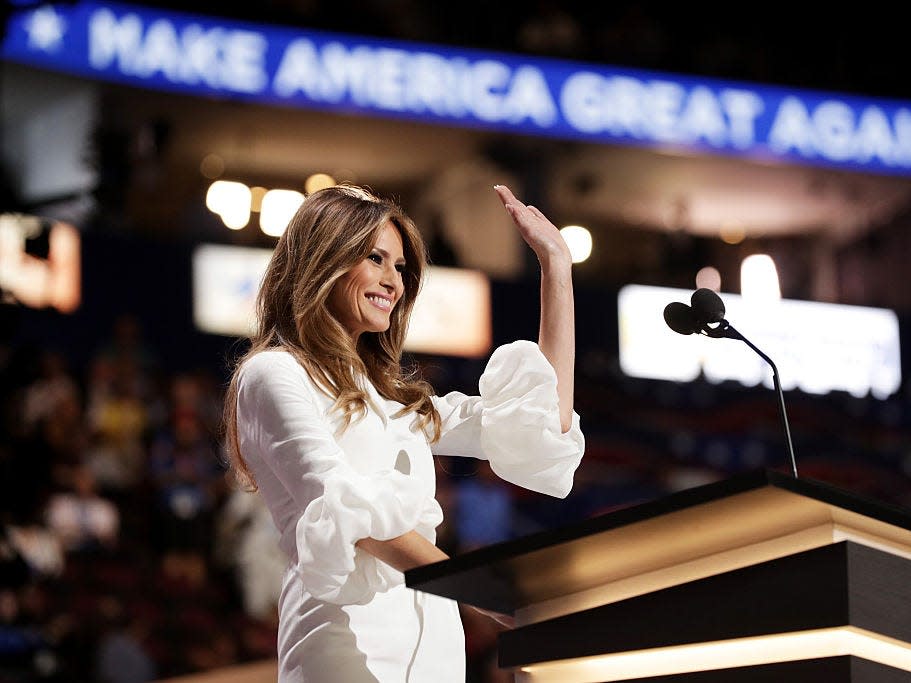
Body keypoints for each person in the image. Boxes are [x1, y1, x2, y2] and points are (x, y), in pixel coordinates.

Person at [222, 183, 584, 682]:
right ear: (324, 258)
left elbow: (543, 424)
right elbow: (349, 510)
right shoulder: (273, 375)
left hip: (434, 648)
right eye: (376, 258)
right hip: (343, 646)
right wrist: (486, 590)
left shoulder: (395, 402)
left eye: (400, 268)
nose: (394, 281)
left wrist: (556, 271)